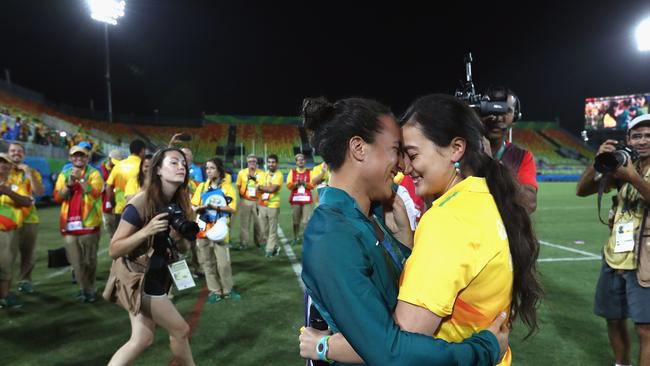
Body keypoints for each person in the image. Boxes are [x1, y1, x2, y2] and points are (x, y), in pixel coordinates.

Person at [299, 96, 509, 365]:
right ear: (359, 148)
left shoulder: (377, 215)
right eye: (396, 150)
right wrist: (485, 349)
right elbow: (389, 350)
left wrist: (407, 246)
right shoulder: (330, 236)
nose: (401, 165)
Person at [108, 147, 195, 366]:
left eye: (183, 164)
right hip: (138, 278)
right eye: (174, 162)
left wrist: (178, 236)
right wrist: (146, 231)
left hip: (157, 274)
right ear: (157, 170)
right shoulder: (140, 203)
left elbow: (183, 248)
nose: (181, 167)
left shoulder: (179, 204)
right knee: (181, 329)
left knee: (141, 339)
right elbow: (114, 249)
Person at [576, 113, 650, 366]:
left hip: (646, 260)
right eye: (637, 135)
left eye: (649, 136)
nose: (642, 140)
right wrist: (598, 162)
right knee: (613, 319)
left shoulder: (630, 173)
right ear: (628, 139)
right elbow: (582, 190)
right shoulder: (624, 166)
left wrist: (633, 178)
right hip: (615, 254)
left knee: (645, 330)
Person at [53, 146, 104, 303]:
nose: (78, 159)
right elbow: (57, 198)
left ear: (87, 158)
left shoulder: (94, 173)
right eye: (75, 156)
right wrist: (68, 184)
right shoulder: (64, 175)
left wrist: (81, 180)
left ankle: (90, 287)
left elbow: (95, 193)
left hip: (88, 224)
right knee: (76, 261)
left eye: (82, 156)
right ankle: (84, 289)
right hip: (69, 225)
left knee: (89, 260)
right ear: (70, 158)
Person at [191, 157, 240, 303]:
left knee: (223, 263)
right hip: (203, 228)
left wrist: (215, 208)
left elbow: (232, 208)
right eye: (207, 168)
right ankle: (215, 291)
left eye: (211, 168)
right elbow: (193, 205)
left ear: (219, 170)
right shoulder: (202, 187)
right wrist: (198, 209)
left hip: (219, 229)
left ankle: (228, 289)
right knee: (207, 262)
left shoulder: (227, 187)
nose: (208, 171)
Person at [481, 87, 537, 213]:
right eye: (490, 109)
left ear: (515, 117)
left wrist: (494, 168)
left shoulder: (522, 156)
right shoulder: (460, 150)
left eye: (505, 111)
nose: (497, 118)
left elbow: (529, 203)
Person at [7, 142, 44, 294]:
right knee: (7, 254)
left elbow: (39, 191)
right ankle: (5, 285)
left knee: (28, 252)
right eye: (13, 151)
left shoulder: (32, 172)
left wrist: (29, 173)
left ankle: (25, 280)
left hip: (29, 218)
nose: (16, 153)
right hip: (9, 219)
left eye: (19, 151)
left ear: (24, 154)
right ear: (8, 153)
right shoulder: (3, 170)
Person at [0, 152, 32, 308]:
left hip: (8, 231)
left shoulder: (16, 183)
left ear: (10, 166)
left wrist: (8, 192)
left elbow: (27, 202)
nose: (2, 165)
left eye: (5, 163)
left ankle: (5, 296)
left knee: (6, 265)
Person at [106, 139, 146, 224]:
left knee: (119, 237)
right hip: (137, 210)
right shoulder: (144, 167)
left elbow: (108, 187)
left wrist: (113, 204)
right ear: (142, 151)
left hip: (120, 209)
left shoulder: (118, 166)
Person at [235, 154, 263, 250]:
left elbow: (263, 185)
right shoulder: (242, 173)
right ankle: (243, 242)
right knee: (244, 223)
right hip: (245, 201)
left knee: (258, 223)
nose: (252, 163)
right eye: (250, 161)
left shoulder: (261, 173)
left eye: (254, 161)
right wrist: (242, 194)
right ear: (247, 162)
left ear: (256, 162)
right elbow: (238, 185)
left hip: (257, 201)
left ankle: (259, 242)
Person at [257, 154, 283, 257]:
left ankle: (269, 250)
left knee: (272, 229)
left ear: (277, 164)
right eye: (269, 162)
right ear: (266, 163)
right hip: (262, 204)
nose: (271, 164)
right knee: (264, 230)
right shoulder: (264, 174)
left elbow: (273, 189)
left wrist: (262, 187)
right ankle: (275, 246)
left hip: (273, 205)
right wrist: (264, 187)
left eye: (273, 162)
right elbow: (257, 187)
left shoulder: (279, 175)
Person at [286, 153, 313, 245]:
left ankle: (306, 239)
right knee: (296, 222)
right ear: (296, 162)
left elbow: (312, 185)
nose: (300, 161)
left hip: (306, 200)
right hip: (296, 200)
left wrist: (304, 183)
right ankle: (295, 237)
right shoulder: (292, 172)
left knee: (306, 222)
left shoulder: (309, 172)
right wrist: (296, 184)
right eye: (298, 160)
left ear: (305, 161)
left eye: (302, 159)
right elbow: (289, 185)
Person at [98, 149, 124, 239]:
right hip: (107, 208)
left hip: (120, 207)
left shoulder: (121, 169)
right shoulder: (100, 170)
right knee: (112, 235)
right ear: (109, 159)